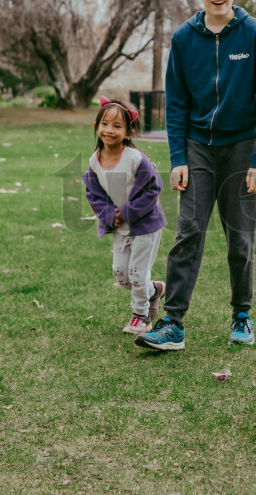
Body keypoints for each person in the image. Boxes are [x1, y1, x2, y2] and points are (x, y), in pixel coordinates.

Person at [136, 0, 256, 351]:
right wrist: (178, 159)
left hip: (242, 148)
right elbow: (176, 104)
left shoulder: (254, 33)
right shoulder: (183, 39)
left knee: (240, 238)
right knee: (188, 233)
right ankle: (173, 324)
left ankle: (242, 316)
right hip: (197, 148)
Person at [84, 97, 167, 334]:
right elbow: (94, 194)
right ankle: (154, 290)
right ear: (96, 126)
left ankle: (141, 316)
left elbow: (154, 186)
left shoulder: (135, 159)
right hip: (120, 227)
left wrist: (129, 210)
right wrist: (109, 214)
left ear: (129, 132)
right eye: (105, 124)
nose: (110, 130)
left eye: (117, 126)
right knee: (122, 275)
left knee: (137, 274)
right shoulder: (94, 161)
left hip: (145, 225)